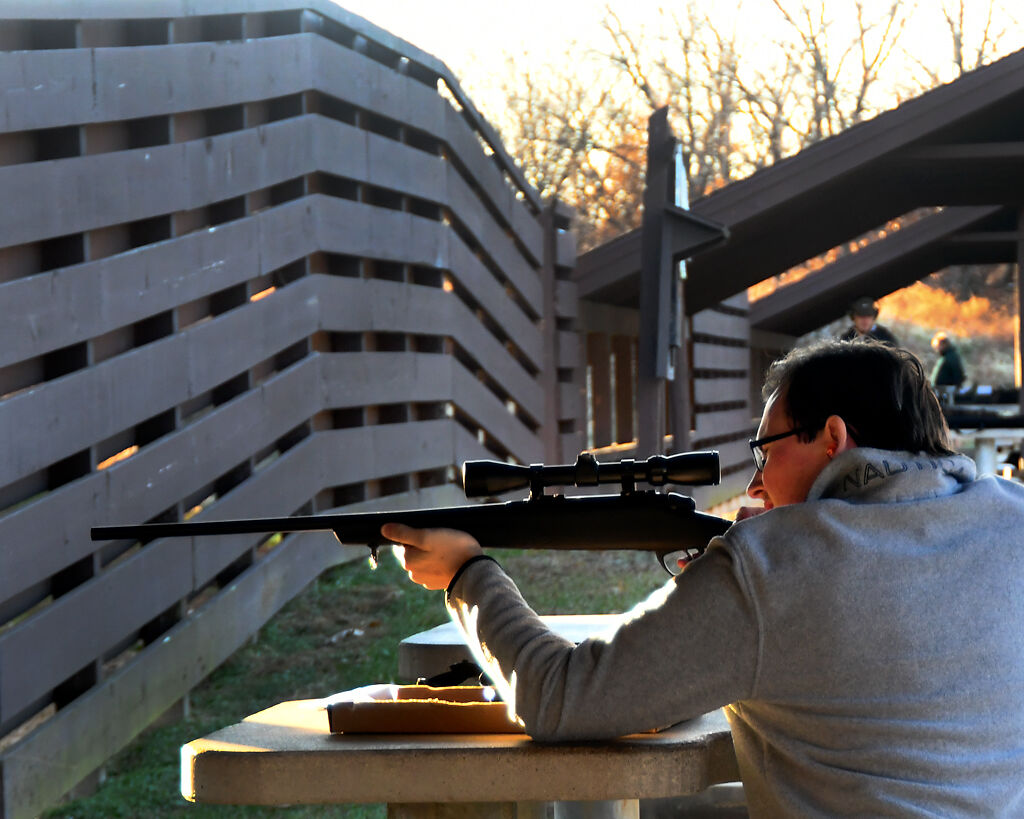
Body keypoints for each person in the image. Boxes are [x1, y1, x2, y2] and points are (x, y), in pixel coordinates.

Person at [384, 339, 1024, 817]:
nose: (756, 483)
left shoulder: (772, 563)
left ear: (832, 438)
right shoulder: (1013, 517)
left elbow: (559, 698)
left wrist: (467, 573)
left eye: (766, 450)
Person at [930, 331, 966, 406]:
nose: (937, 349)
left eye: (938, 346)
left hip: (946, 392)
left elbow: (958, 375)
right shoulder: (945, 357)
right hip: (940, 392)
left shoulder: (951, 357)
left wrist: (954, 389)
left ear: (944, 344)